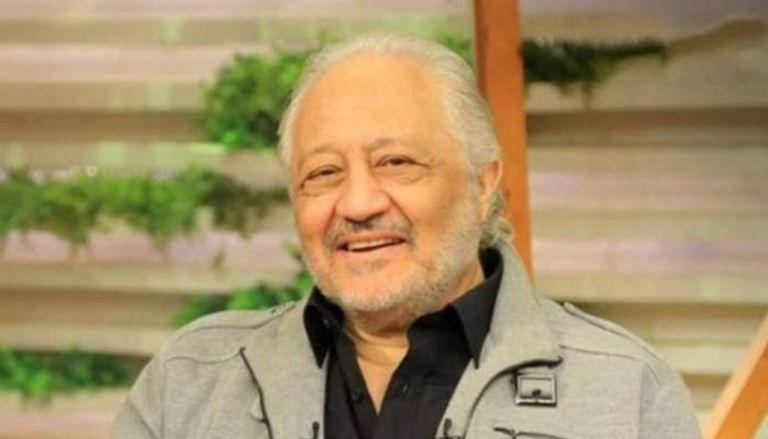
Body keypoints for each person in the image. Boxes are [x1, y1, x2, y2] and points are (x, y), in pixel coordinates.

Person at [113, 35, 701, 439]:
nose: (358, 204)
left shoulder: (624, 389)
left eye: (396, 162)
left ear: (482, 184)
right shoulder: (191, 381)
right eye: (323, 173)